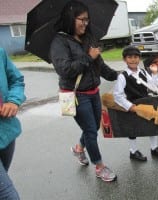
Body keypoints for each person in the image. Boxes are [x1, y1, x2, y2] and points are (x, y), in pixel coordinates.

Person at [50, 1, 118, 182]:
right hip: (76, 94)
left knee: (94, 126)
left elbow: (100, 65)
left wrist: (118, 75)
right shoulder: (59, 42)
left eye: (87, 20)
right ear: (70, 18)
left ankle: (79, 148)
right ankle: (99, 166)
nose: (86, 23)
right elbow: (64, 69)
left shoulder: (88, 38)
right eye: (82, 20)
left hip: (93, 91)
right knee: (90, 130)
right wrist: (89, 57)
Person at [113, 46, 158, 162]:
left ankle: (154, 148)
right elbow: (117, 95)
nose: (133, 60)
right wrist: (129, 106)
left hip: (146, 102)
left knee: (153, 124)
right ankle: (133, 151)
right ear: (124, 59)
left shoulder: (142, 72)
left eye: (136, 57)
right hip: (132, 105)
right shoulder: (123, 76)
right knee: (132, 128)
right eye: (130, 57)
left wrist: (155, 73)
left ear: (139, 58)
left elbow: (153, 86)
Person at [0, 47, 26, 199]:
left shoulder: (1, 53)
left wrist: (13, 100)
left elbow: (16, 80)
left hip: (6, 133)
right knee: (9, 195)